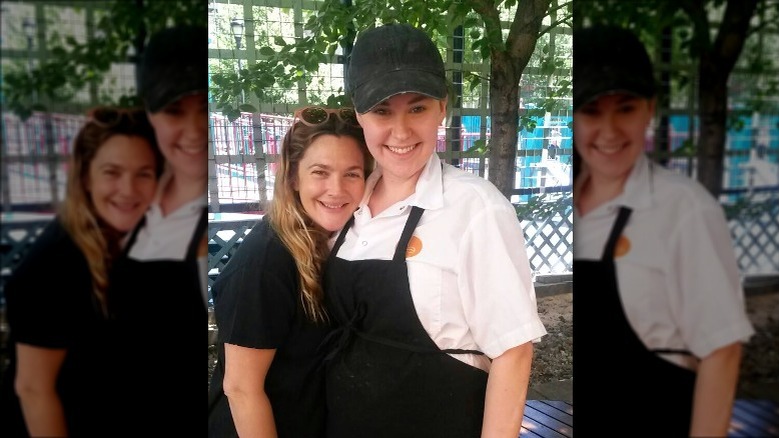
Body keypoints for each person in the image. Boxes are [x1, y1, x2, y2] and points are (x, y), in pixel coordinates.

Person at [321, 23, 547, 437]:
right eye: (382, 111)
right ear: (359, 114)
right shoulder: (341, 203)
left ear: (443, 108)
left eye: (418, 108)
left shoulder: (476, 208)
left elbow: (513, 353)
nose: (401, 132)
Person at [571, 24, 755, 436]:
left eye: (626, 108)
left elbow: (722, 353)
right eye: (591, 111)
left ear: (650, 109)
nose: (610, 131)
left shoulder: (684, 210)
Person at [207, 107, 374, 437]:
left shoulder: (332, 242)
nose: (337, 189)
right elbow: (241, 389)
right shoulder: (266, 262)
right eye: (320, 172)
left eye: (352, 173)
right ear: (293, 177)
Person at [0, 106, 164, 437]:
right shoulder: (54, 265)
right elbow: (34, 390)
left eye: (143, 173)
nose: (128, 189)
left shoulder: (129, 242)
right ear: (86, 176)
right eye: (112, 172)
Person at [108, 24, 209, 433]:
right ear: (150, 114)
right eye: (174, 111)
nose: (194, 131)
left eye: (205, 109)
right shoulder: (127, 198)